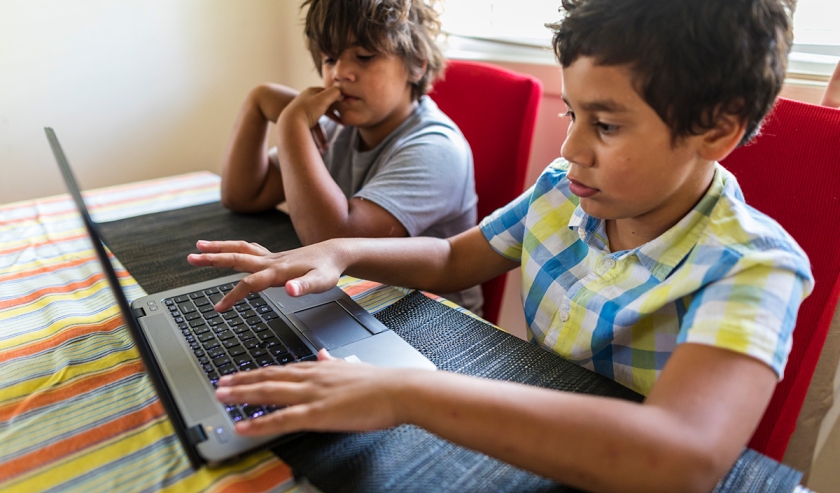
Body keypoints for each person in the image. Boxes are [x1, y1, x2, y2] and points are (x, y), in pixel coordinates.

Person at [187, 0, 813, 491]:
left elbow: (682, 456)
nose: (569, 150)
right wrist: (343, 252)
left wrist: (406, 393)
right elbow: (455, 257)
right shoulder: (563, 192)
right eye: (572, 115)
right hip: (529, 435)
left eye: (608, 124)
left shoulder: (755, 265)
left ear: (718, 129)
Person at [221, 0, 481, 312]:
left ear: (417, 64)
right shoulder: (336, 129)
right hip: (357, 303)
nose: (340, 74)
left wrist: (292, 124)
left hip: (434, 323)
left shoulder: (437, 148)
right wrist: (257, 103)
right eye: (330, 59)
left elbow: (333, 241)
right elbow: (243, 196)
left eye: (364, 57)